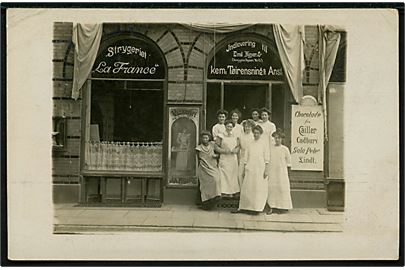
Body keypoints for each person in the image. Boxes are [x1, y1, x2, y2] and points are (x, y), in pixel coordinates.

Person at [233, 125, 269, 215]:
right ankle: (246, 207)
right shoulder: (250, 143)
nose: (256, 134)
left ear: (261, 133)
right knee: (248, 187)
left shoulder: (264, 143)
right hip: (250, 167)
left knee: (258, 187)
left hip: (260, 167)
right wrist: (245, 169)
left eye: (258, 133)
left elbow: (267, 158)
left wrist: (266, 170)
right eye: (255, 133)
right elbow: (246, 157)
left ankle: (257, 208)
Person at [266, 129, 293, 214]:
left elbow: (289, 162)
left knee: (281, 188)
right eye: (276, 138)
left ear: (282, 139)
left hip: (281, 171)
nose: (277, 140)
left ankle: (283, 207)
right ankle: (272, 206)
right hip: (272, 170)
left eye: (279, 138)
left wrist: (287, 173)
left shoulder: (285, 149)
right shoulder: (270, 148)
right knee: (272, 188)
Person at [195, 130, 221, 210]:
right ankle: (206, 202)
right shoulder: (198, 148)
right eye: (203, 138)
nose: (205, 139)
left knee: (216, 179)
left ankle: (215, 197)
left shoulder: (213, 145)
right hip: (204, 168)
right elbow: (197, 160)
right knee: (205, 184)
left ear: (209, 138)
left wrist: (216, 156)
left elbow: (219, 152)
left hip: (213, 167)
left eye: (206, 138)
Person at [215, 120, 240, 197]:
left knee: (233, 174)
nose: (229, 128)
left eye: (231, 127)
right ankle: (224, 192)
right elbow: (216, 147)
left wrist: (236, 150)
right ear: (225, 126)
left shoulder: (236, 136)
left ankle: (233, 192)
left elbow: (238, 146)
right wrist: (224, 151)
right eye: (228, 126)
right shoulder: (220, 136)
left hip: (233, 158)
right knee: (224, 175)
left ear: (233, 127)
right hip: (224, 158)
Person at [238, 119, 255, 186]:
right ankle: (242, 191)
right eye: (246, 126)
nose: (247, 128)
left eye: (249, 126)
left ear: (251, 127)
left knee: (250, 174)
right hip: (242, 156)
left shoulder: (253, 136)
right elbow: (239, 146)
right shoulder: (241, 135)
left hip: (251, 157)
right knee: (240, 174)